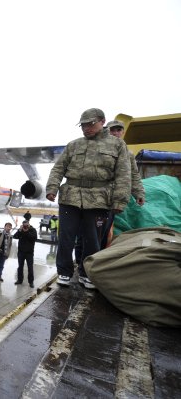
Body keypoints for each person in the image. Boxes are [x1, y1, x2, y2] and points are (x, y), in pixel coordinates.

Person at [46, 108, 131, 289]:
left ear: (102, 121)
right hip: (71, 197)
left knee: (92, 240)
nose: (86, 128)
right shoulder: (74, 145)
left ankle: (86, 273)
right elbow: (58, 168)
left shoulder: (117, 145)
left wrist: (119, 201)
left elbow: (123, 175)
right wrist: (52, 188)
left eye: (90, 124)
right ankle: (64, 271)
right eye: (83, 125)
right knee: (66, 237)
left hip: (99, 199)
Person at [101, 120, 146, 247]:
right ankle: (81, 263)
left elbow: (134, 175)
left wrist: (139, 193)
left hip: (111, 199)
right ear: (106, 131)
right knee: (89, 233)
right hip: (95, 195)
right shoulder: (98, 148)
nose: (115, 133)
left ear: (122, 132)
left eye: (118, 130)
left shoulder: (128, 153)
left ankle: (95, 261)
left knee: (104, 233)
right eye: (112, 130)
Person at [13, 220, 37, 288]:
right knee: (20, 267)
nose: (25, 226)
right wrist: (19, 230)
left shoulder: (32, 230)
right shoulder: (21, 230)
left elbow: (34, 238)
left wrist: (27, 232)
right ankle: (20, 280)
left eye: (26, 225)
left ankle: (31, 282)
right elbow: (15, 236)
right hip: (21, 252)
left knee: (30, 268)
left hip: (29, 253)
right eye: (24, 225)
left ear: (29, 224)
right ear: (22, 225)